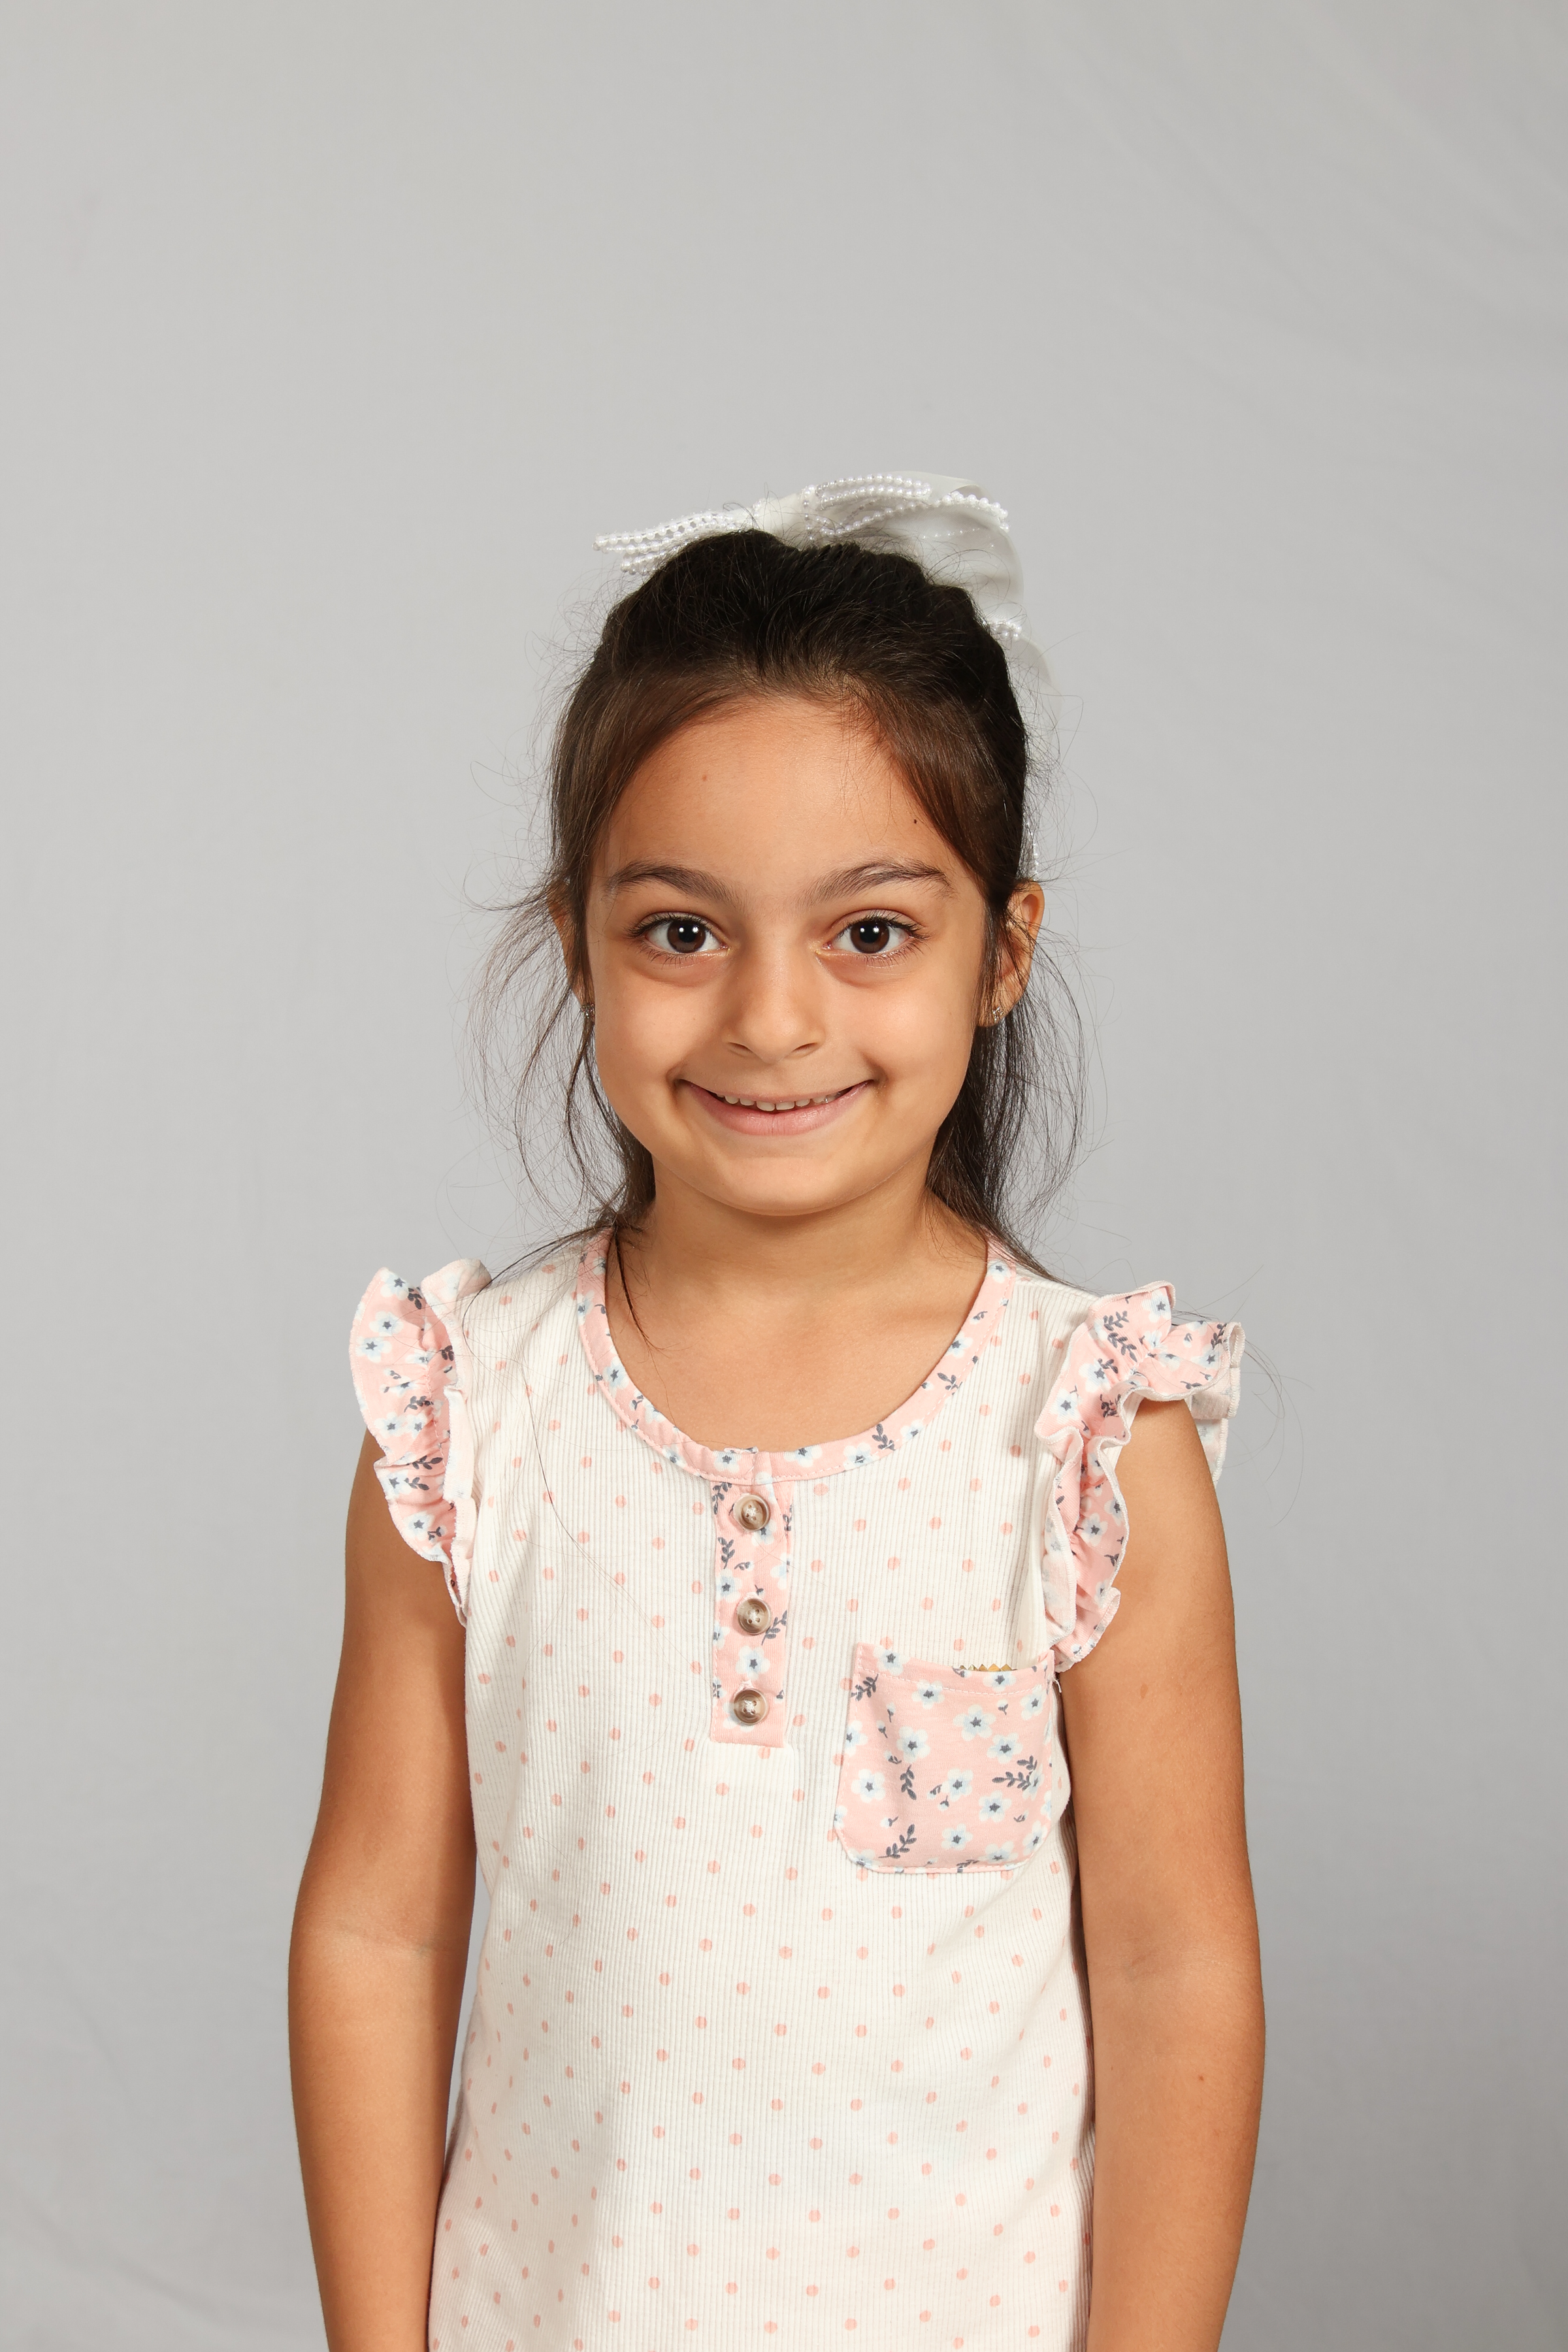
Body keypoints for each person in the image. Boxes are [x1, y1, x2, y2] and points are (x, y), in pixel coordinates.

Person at [289, 476, 1264, 2352]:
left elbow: (1174, 1969)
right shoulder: (465, 1423)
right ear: (577, 940)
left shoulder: (1086, 1437)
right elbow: (378, 1931)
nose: (770, 1018)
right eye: (682, 932)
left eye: (869, 933)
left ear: (1003, 950)